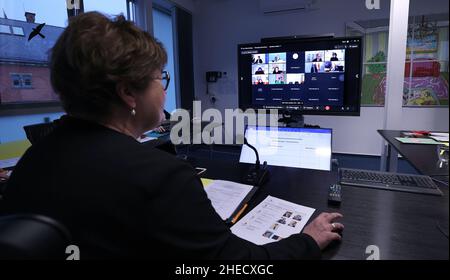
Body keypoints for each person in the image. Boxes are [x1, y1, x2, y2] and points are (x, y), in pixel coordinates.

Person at [1, 12, 343, 259]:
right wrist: (308, 241)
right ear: (128, 93)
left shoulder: (34, 158)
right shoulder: (161, 176)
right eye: (159, 79)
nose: (164, 92)